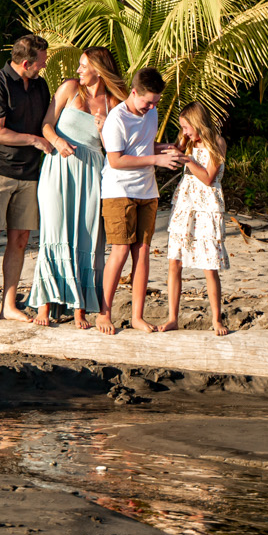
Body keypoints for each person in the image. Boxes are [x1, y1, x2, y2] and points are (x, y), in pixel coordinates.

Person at [30, 46, 126, 328]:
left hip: (93, 172)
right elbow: (46, 125)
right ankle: (44, 306)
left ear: (99, 68)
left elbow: (115, 149)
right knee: (55, 230)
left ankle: (80, 308)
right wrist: (57, 142)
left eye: (84, 65)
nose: (78, 70)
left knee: (87, 236)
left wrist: (104, 129)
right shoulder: (70, 89)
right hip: (59, 168)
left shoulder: (115, 102)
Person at [0, 33, 52, 332]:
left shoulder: (40, 85)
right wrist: (34, 140)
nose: (43, 67)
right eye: (41, 63)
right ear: (26, 62)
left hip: (28, 172)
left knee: (19, 240)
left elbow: (48, 121)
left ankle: (9, 304)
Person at [97, 67, 181, 334]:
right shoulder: (116, 119)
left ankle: (137, 316)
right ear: (134, 93)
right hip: (118, 191)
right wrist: (156, 159)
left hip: (147, 191)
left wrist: (163, 149)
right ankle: (104, 313)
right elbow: (116, 159)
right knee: (120, 250)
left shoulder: (152, 113)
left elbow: (143, 147)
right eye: (148, 102)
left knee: (142, 252)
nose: (152, 107)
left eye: (156, 102)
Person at [157, 102, 230, 336]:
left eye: (187, 127)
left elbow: (209, 177)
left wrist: (187, 160)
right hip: (186, 203)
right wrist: (176, 151)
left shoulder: (217, 143)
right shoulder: (187, 142)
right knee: (174, 261)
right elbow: (173, 158)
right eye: (183, 127)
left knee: (209, 265)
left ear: (198, 123)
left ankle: (216, 319)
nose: (185, 132)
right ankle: (172, 318)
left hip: (207, 205)